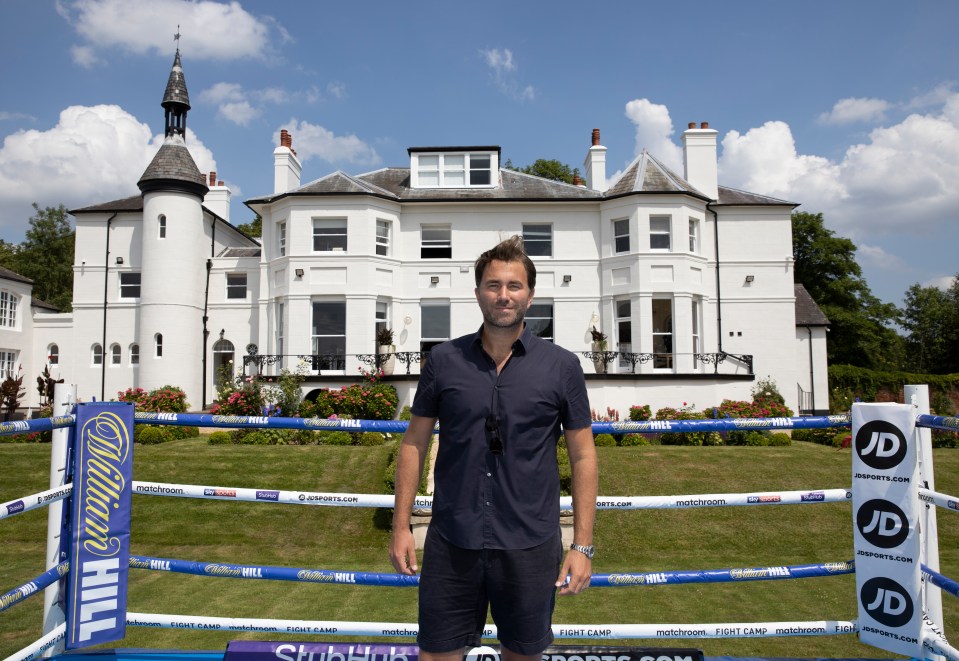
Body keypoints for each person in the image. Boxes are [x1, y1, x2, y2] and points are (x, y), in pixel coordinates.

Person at [390, 235, 598, 661]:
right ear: (478, 292)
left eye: (514, 286)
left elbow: (584, 455)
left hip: (530, 544)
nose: (504, 295)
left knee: (522, 655)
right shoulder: (444, 361)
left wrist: (582, 546)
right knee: (436, 656)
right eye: (493, 285)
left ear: (531, 295)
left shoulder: (562, 366)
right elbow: (413, 443)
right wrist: (400, 526)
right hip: (452, 541)